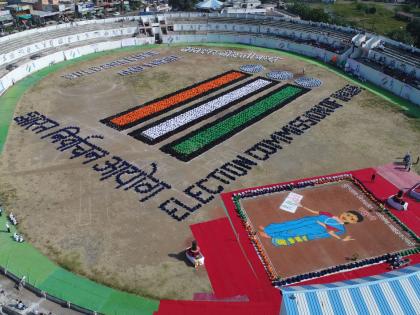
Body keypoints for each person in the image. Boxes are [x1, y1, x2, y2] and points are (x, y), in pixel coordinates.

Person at [259, 205, 364, 247]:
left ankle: (272, 235)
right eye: (349, 215)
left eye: (351, 219)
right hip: (306, 221)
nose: (348, 217)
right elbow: (316, 211)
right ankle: (269, 229)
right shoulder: (329, 215)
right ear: (345, 212)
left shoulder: (340, 227)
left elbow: (330, 232)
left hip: (312, 229)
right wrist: (302, 206)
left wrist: (342, 240)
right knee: (289, 224)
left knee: (292, 232)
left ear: (353, 223)